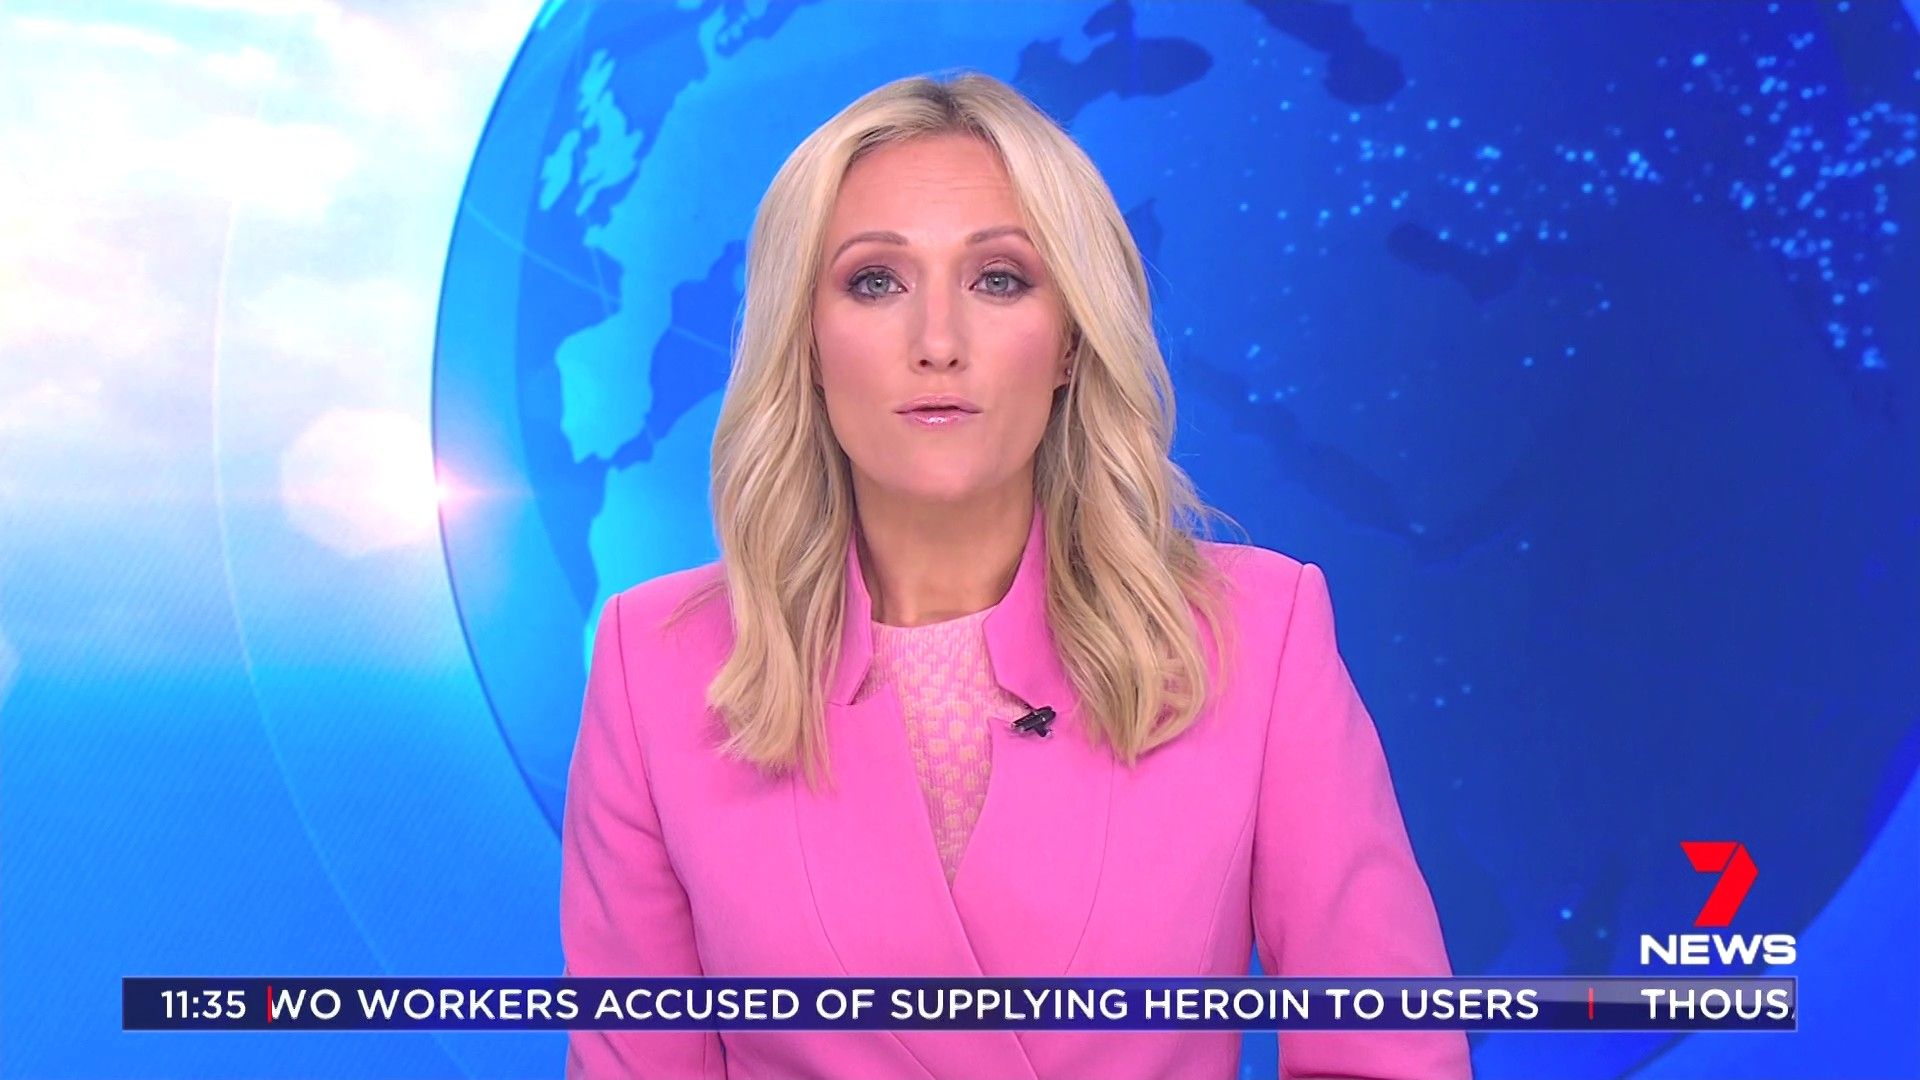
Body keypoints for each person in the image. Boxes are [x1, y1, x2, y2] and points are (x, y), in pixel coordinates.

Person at [559, 70, 1470, 1080]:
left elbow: (1386, 1055)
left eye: (998, 280)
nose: (937, 344)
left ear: (1071, 339)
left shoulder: (1256, 633)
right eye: (875, 282)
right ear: (805, 341)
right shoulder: (656, 664)